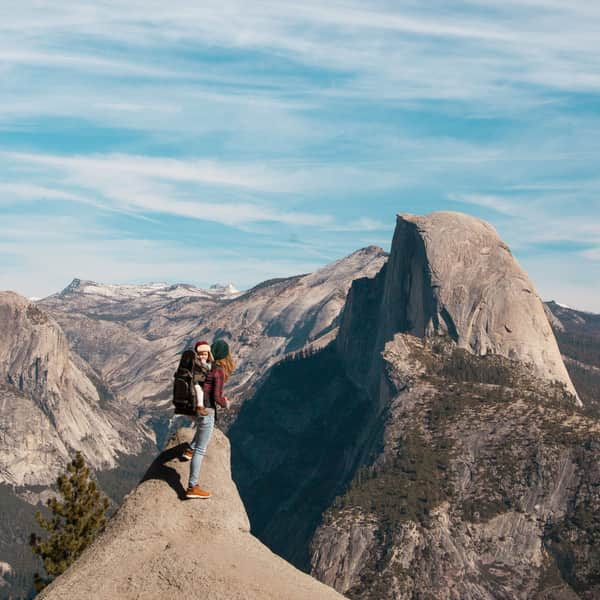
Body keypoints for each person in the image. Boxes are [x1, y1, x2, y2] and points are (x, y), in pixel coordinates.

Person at [185, 339, 234, 499]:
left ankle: (189, 450)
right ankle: (192, 486)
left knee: (200, 430)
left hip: (196, 406)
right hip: (207, 409)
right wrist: (226, 404)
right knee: (201, 449)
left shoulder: (206, 366)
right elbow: (216, 396)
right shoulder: (218, 370)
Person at [192, 340, 213, 417]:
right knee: (199, 390)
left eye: (204, 354)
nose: (203, 356)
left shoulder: (209, 364)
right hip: (197, 381)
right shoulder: (196, 362)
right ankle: (200, 406)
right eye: (200, 354)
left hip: (202, 380)